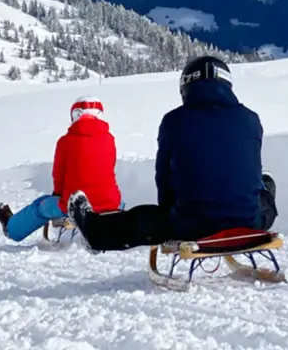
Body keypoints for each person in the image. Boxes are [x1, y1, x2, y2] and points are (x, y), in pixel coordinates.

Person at [67, 55, 276, 251]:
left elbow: (164, 177)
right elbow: (253, 170)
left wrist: (167, 210)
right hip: (250, 222)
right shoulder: (251, 119)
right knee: (266, 187)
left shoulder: (174, 121)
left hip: (192, 226)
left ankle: (94, 231)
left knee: (140, 219)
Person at [0, 95, 122, 242]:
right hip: (111, 204)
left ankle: (12, 229)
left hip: (74, 206)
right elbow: (110, 167)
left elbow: (59, 175)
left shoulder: (65, 141)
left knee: (40, 206)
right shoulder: (110, 139)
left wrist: (57, 195)